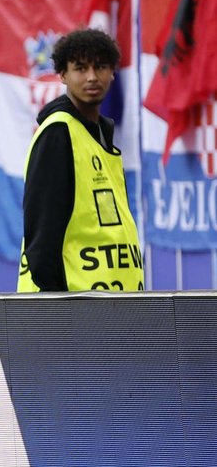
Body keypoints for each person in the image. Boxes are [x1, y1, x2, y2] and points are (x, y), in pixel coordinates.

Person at [18, 28, 143, 293]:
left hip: (109, 306)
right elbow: (42, 231)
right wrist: (59, 307)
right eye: (80, 68)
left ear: (112, 72)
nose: (91, 77)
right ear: (63, 75)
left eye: (100, 67)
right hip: (70, 313)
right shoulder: (58, 132)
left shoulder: (99, 135)